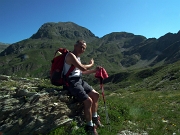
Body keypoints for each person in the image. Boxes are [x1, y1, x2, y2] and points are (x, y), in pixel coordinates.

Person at [63, 40, 103, 135]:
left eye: (84, 48)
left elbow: (82, 72)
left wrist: (94, 71)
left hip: (79, 80)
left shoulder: (77, 57)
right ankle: (90, 126)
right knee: (88, 101)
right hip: (71, 82)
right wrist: (92, 64)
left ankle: (95, 118)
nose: (82, 50)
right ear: (75, 46)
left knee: (96, 95)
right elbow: (83, 68)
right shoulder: (71, 56)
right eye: (81, 47)